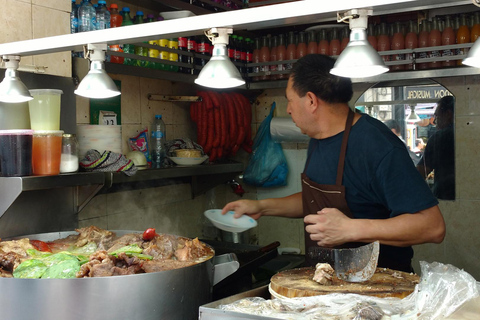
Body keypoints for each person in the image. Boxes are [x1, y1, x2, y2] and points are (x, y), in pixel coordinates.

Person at [222, 54, 445, 272]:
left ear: (311, 101)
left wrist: (351, 229)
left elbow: (431, 226)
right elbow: (316, 201)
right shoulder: (319, 139)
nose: (288, 109)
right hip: (329, 285)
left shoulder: (377, 146)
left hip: (380, 290)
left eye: (290, 100)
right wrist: (262, 206)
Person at [417, 96, 455, 200]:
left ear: (448, 114)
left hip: (445, 197)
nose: (434, 121)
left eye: (437, 116)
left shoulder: (439, 137)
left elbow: (421, 172)